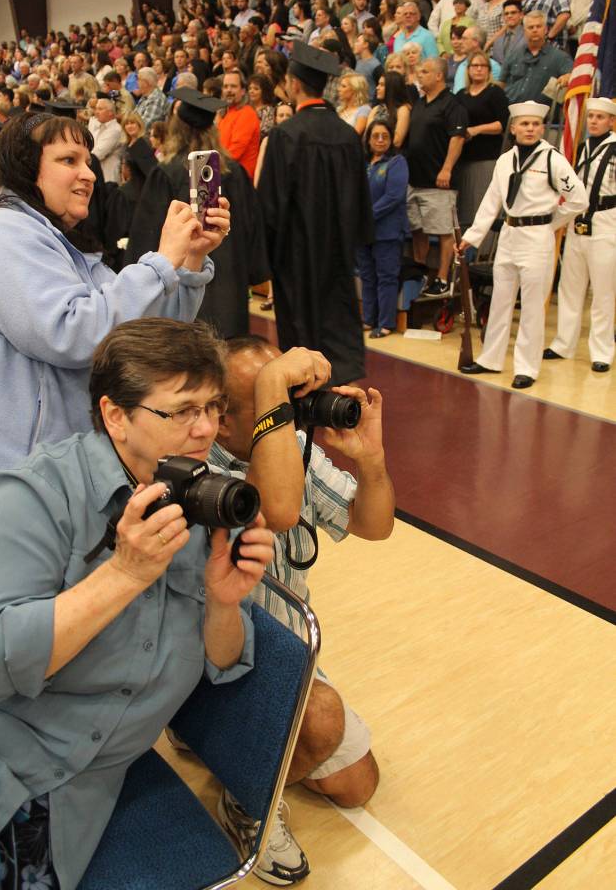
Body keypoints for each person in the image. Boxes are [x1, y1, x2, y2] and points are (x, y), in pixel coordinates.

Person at [0, 316, 274, 889]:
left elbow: (224, 664)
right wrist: (123, 573)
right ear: (116, 416)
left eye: (214, 408)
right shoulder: (31, 496)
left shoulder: (207, 502)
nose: (207, 430)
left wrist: (222, 601)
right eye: (182, 411)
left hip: (70, 791)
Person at [0, 112, 229, 583]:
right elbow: (71, 333)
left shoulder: (65, 250)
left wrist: (190, 260)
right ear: (26, 167)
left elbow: (140, 345)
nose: (89, 173)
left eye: (89, 160)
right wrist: (161, 260)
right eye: (68, 159)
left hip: (42, 487)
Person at [211, 337, 394, 884]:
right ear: (221, 421)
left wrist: (371, 461)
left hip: (288, 651)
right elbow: (279, 508)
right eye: (273, 401)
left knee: (358, 785)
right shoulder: (205, 470)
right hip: (220, 658)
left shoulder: (293, 447)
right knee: (322, 719)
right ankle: (245, 802)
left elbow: (374, 524)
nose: (289, 416)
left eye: (292, 399)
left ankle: (241, 751)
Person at [258, 41, 373, 384]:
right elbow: (360, 196)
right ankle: (344, 384)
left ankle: (306, 392)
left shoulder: (285, 135)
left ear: (294, 84)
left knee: (301, 324)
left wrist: (265, 256)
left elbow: (271, 205)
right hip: (338, 250)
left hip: (297, 254)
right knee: (339, 314)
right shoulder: (347, 135)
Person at [459, 101, 587, 388]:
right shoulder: (505, 161)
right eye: (524, 124)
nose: (530, 129)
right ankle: (490, 359)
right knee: (500, 299)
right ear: (514, 128)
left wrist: (552, 224)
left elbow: (579, 199)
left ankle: (527, 368)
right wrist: (472, 237)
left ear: (542, 128)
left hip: (538, 237)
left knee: (531, 306)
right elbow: (492, 201)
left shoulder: (552, 159)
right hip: (509, 235)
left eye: (535, 124)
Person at [125, 87, 269, 339]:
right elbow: (252, 230)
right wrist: (252, 273)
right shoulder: (234, 173)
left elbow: (147, 236)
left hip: (182, 290)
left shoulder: (167, 172)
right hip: (229, 285)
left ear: (175, 129)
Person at [545, 98, 616, 372]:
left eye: (601, 117)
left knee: (603, 292)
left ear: (611, 121)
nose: (594, 121)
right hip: (577, 223)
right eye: (591, 117)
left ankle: (602, 351)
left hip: (606, 222)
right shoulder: (583, 147)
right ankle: (564, 343)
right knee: (569, 287)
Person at [406, 58, 467, 295]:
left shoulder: (452, 105)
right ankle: (420, 271)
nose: (419, 75)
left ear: (439, 76)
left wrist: (447, 168)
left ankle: (442, 278)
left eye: (424, 71)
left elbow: (458, 138)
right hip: (414, 180)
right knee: (417, 229)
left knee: (443, 230)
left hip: (438, 181)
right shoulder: (420, 103)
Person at [357, 117, 410, 336]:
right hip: (362, 231)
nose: (380, 140)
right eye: (375, 136)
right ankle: (369, 319)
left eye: (385, 136)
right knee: (367, 276)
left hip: (387, 231)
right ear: (368, 140)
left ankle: (386, 323)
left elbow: (393, 196)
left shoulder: (397, 162)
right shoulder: (363, 165)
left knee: (386, 276)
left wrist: (366, 216)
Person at [455, 52, 509, 228]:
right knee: (466, 206)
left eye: (482, 66)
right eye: (474, 66)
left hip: (487, 157)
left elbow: (503, 123)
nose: (478, 69)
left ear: (488, 70)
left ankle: (483, 252)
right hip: (464, 157)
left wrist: (477, 130)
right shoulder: (461, 95)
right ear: (468, 70)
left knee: (483, 203)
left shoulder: (495, 92)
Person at [500, 11, 573, 104]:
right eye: (530, 27)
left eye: (538, 26)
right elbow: (501, 84)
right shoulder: (513, 54)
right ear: (524, 31)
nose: (535, 30)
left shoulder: (560, 57)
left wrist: (567, 77)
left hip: (543, 115)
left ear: (546, 29)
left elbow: (572, 77)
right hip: (511, 112)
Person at [217, 70, 261, 180]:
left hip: (239, 181)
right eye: (225, 86)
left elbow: (234, 153)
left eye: (233, 86)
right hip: (226, 174)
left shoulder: (247, 114)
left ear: (242, 91)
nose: (229, 90)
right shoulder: (224, 114)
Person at [367, 70, 412, 148]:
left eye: (382, 85)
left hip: (392, 155)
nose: (377, 88)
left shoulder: (403, 110)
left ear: (392, 88)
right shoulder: (376, 109)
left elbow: (397, 141)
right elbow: (367, 136)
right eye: (378, 84)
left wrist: (379, 148)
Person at [88, 97, 124, 183]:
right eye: (96, 109)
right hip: (96, 174)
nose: (96, 112)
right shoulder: (96, 125)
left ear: (110, 112)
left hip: (108, 178)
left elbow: (98, 154)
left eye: (100, 109)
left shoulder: (115, 130)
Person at [490, 0, 526, 66]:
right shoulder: (497, 40)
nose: (509, 16)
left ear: (521, 15)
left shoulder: (528, 36)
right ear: (503, 17)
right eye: (506, 14)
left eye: (513, 12)